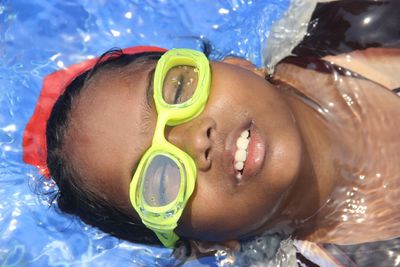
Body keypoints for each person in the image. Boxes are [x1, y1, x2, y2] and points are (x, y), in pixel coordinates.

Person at [23, 0, 399, 258]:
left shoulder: (352, 19)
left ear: (240, 65)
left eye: (180, 89)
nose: (193, 140)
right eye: (159, 182)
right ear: (204, 245)